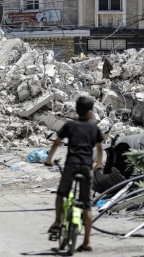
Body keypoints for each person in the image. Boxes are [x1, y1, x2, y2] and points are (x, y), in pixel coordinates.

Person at [45, 96, 104, 252]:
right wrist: (98, 164)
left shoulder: (70, 125)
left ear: (77, 111)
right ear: (90, 112)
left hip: (71, 165)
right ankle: (87, 242)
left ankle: (57, 222)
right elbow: (99, 149)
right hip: (86, 167)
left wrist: (49, 159)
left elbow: (57, 142)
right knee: (87, 205)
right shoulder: (94, 129)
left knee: (61, 194)